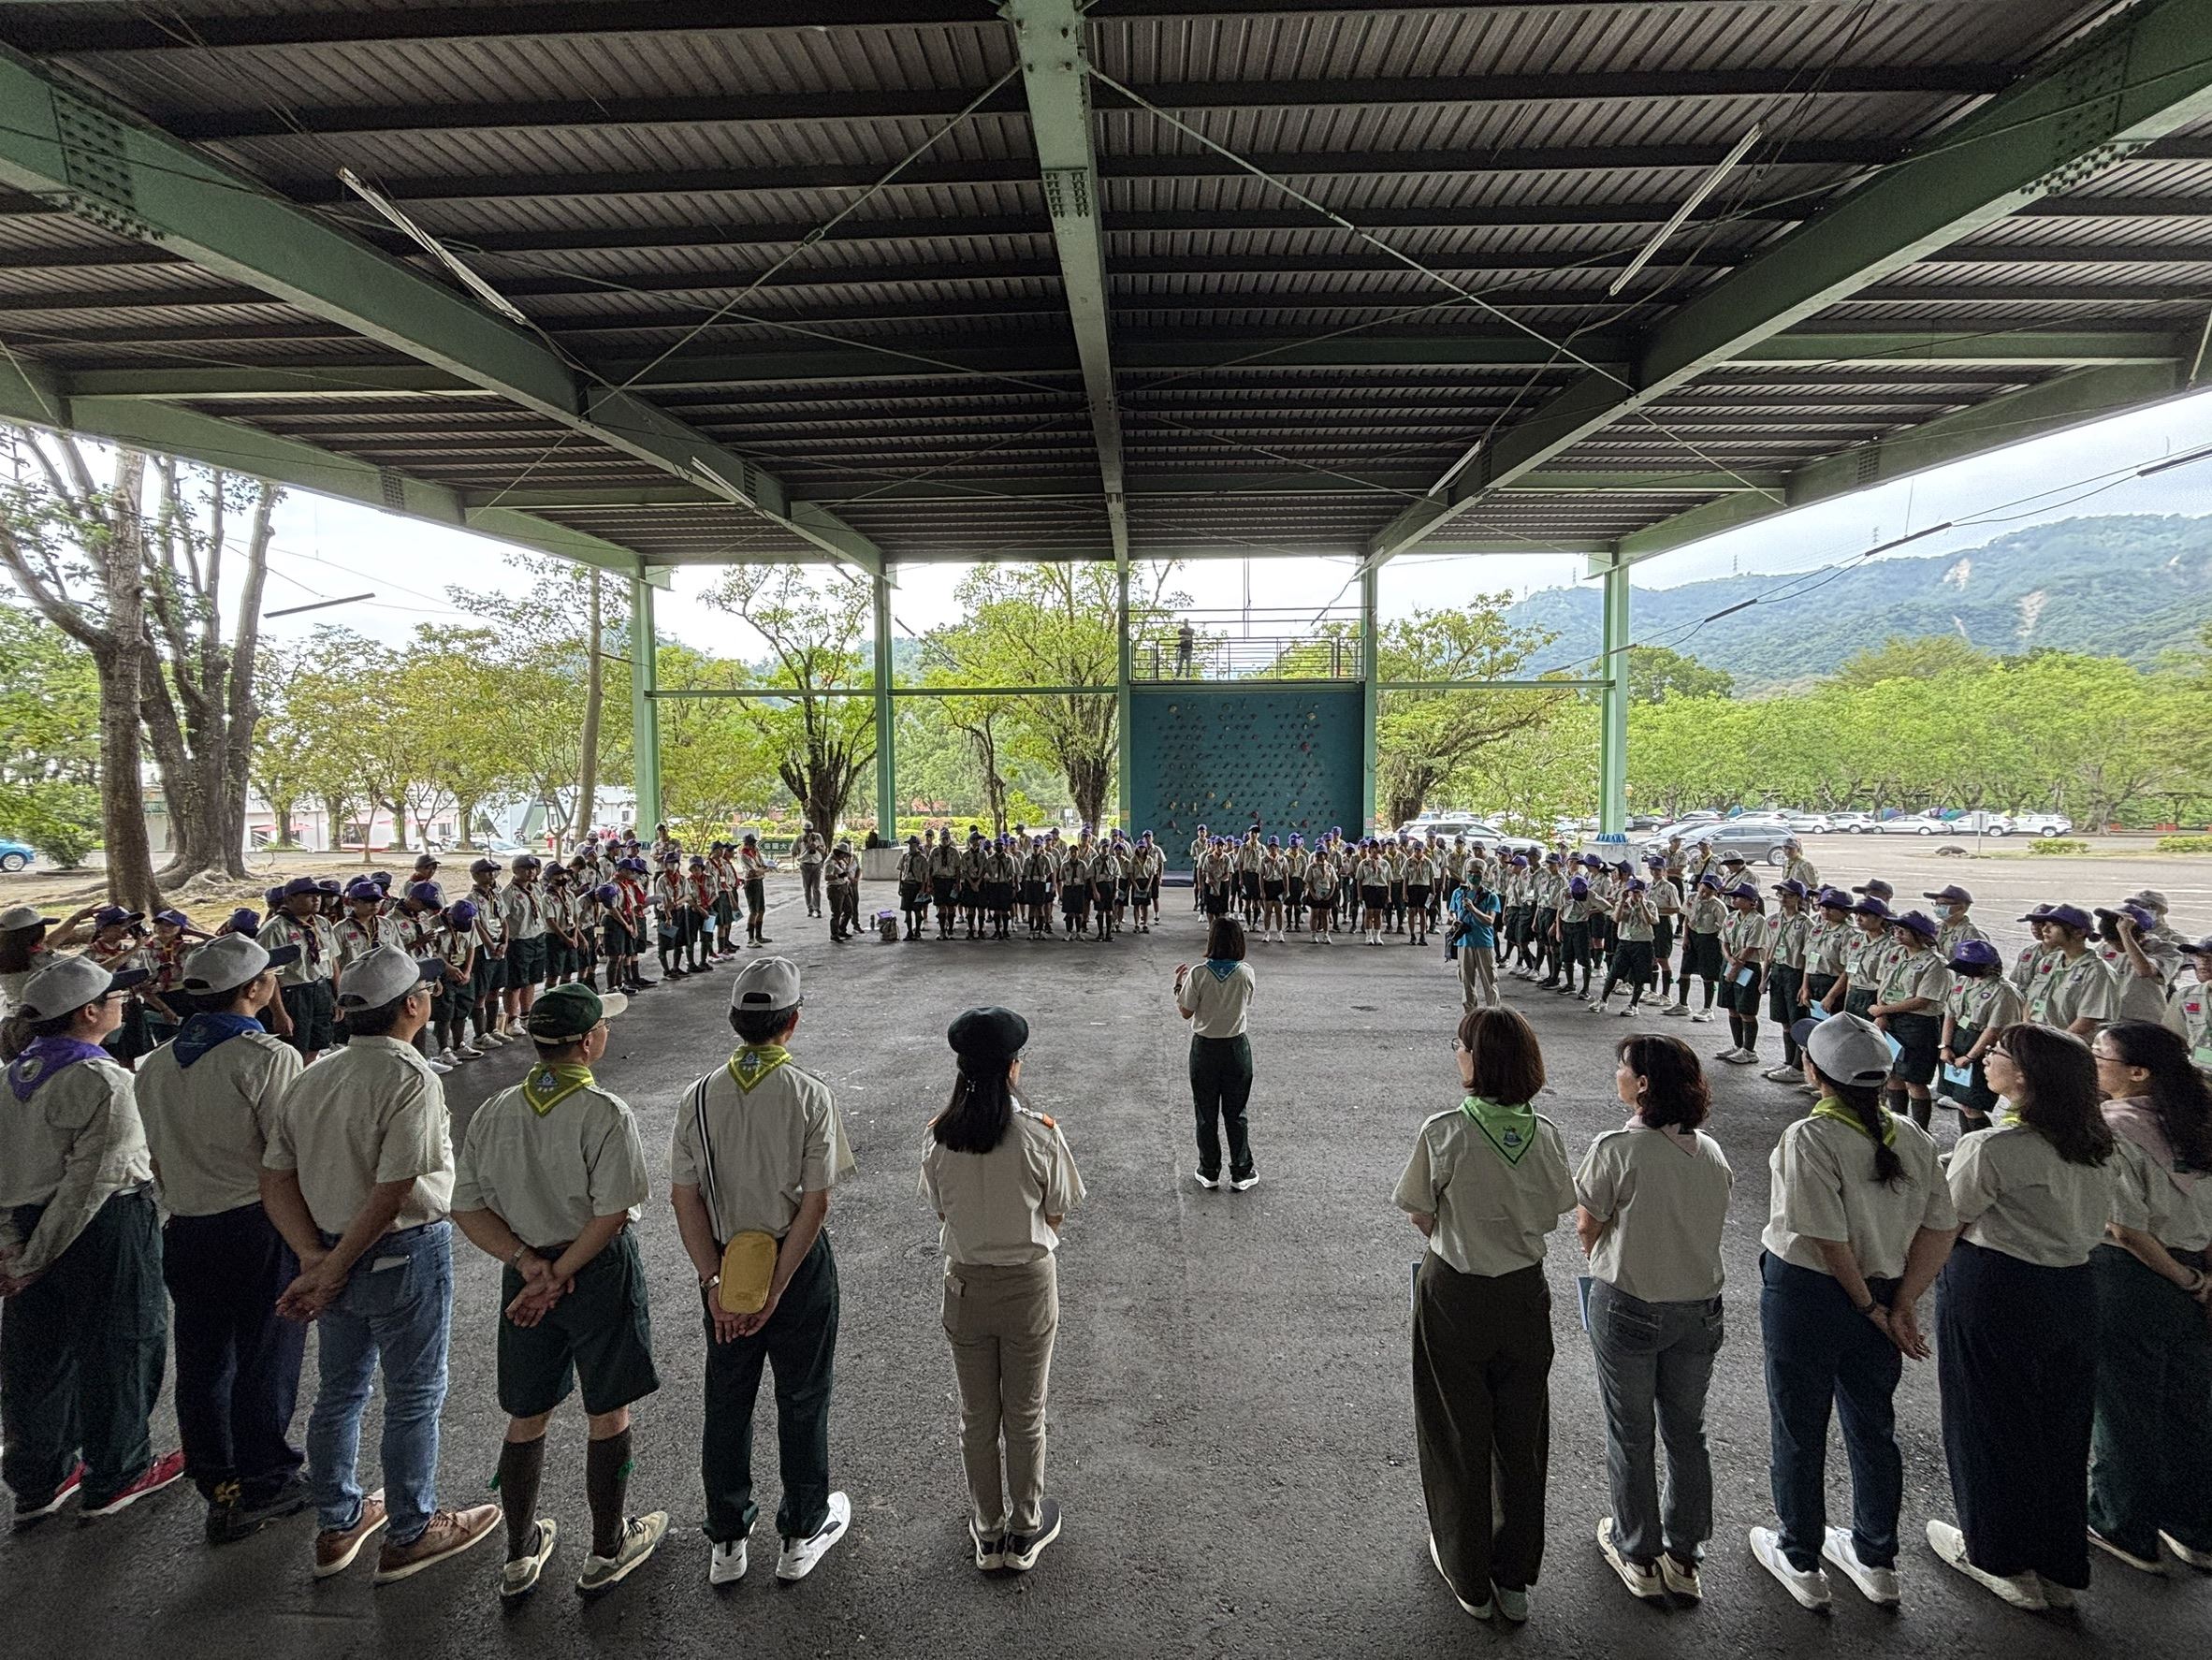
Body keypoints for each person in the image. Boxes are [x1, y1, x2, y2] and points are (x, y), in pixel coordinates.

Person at [258, 943, 502, 1582]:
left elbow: (275, 1175)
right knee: (414, 1394)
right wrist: (333, 1266)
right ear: (414, 1006)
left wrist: (315, 1256)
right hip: (399, 1251)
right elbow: (395, 1187)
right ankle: (411, 1531)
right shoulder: (409, 1076)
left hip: (330, 1245)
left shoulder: (313, 1075)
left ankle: (337, 1524)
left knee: (340, 1391)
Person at [451, 983, 666, 1601]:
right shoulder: (604, 1114)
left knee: (529, 1410)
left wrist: (530, 1266)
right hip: (596, 1270)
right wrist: (564, 1270)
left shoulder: (495, 1111)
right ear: (590, 1042)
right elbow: (612, 1213)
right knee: (608, 1407)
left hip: (523, 1274)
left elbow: (466, 1205)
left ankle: (518, 1554)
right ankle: (606, 1545)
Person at [1747, 1013, 1957, 1610]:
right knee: (1872, 1425)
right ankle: (1876, 1555)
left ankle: (1801, 1557)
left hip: (1812, 1296)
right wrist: (1902, 1303)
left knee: (1799, 1424)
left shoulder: (1809, 1138)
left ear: (1816, 1073)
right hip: (1888, 1292)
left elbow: (1826, 1238)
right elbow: (1939, 1229)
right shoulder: (1913, 1138)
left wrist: (1869, 1306)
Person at [669, 957, 855, 1587]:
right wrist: (775, 1288)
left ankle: (726, 1537)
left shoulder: (698, 1096)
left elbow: (684, 1197)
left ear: (734, 1021)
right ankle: (800, 1532)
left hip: (723, 1262)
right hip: (795, 1265)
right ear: (793, 1022)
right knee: (802, 1396)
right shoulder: (810, 1094)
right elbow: (817, 1200)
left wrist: (716, 1284)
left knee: (727, 1397)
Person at [1926, 1022, 2118, 1611]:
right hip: (2075, 1289)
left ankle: (1998, 1556)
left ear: (2025, 1080)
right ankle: (2059, 1561)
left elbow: (1946, 1223)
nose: (1985, 1060)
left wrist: (1903, 1294)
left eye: (1998, 1055)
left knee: (1987, 1419)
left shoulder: (1995, 1147)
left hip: (1997, 1287)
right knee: (2059, 1425)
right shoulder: (2094, 1142)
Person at [1396, 1006, 1575, 1624]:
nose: (1456, 1054)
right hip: (1525, 1295)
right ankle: (1515, 1576)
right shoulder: (1545, 1133)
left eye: (1461, 1046)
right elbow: (1556, 1210)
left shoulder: (1444, 1130)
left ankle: (1468, 1573)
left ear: (1478, 1060)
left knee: (1457, 1433)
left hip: (1457, 1292)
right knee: (1521, 1438)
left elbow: (1420, 1211)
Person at [134, 935, 312, 1545]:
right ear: (256, 989)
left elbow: (155, 1157)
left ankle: (219, 1481)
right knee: (265, 1353)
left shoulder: (153, 1065)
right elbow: (286, 1158)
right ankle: (266, 1479)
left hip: (184, 1226)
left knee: (205, 1358)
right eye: (270, 980)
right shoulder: (267, 1058)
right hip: (255, 1224)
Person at [0, 954, 185, 1523]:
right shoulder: (102, 1079)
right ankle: (118, 1472)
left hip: (24, 1224)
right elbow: (94, 1181)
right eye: (114, 996)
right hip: (101, 1228)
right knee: (121, 1345)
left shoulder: (10, 1079)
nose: (123, 1001)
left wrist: (13, 1248)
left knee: (36, 1354)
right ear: (88, 1012)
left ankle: (39, 1478)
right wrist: (36, 1255)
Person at [920, 1007, 1084, 1574]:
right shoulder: (1039, 1134)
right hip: (1028, 1287)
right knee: (1025, 1410)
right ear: (1014, 1067)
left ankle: (987, 1528)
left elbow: (940, 1208)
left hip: (964, 1287)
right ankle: (1025, 1525)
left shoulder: (941, 1138)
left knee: (976, 1413)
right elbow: (1060, 1207)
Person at [1576, 1034, 1733, 1603]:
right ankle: (1685, 1556)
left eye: (1623, 1067)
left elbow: (1588, 1223)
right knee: (1687, 1432)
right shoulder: (1710, 1151)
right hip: (1699, 1311)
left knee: (1631, 1431)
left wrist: (1599, 1250)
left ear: (1642, 1085)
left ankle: (1638, 1551)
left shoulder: (1618, 1148)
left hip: (1631, 1305)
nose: (1617, 1073)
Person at [2086, 1020, 2212, 1574]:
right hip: (2196, 1270)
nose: (2093, 1063)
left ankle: (2124, 1527)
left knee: (2125, 1407)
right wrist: (2204, 1281)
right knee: (2188, 1405)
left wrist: (2186, 1280)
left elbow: (2125, 1229)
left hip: (2132, 1280)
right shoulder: (2198, 1122)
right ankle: (2195, 1528)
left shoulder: (2111, 1127)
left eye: (2100, 1055)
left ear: (2137, 1072)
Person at [1175, 918, 1259, 1192]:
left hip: (1205, 1048)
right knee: (1236, 1113)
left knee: (1206, 1112)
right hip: (1236, 1048)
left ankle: (1209, 1170)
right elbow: (1245, 1003)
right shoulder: (1246, 972)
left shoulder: (1198, 973)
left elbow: (1186, 1011)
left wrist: (1179, 986)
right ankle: (1241, 1171)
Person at [1869, 911, 1949, 1129]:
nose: (1897, 933)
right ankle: (1897, 1122)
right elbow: (1882, 986)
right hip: (1892, 1020)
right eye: (1895, 929)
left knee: (1914, 1079)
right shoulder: (1893, 954)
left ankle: (1919, 1129)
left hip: (1918, 1024)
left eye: (1903, 930)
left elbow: (1922, 1000)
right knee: (1893, 1073)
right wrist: (1882, 1015)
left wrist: (1883, 1009)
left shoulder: (1934, 963)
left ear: (1920, 935)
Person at [1936, 939, 2024, 1136]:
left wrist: (1969, 1057)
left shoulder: (2003, 991)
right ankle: (1964, 1142)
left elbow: (1993, 1030)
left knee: (1972, 1104)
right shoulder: (1963, 982)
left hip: (1980, 1047)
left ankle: (1982, 1144)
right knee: (1961, 1100)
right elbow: (1950, 1015)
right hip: (1958, 1041)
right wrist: (1945, 1045)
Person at [258, 877, 335, 1060]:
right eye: (309, 895)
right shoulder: (275, 929)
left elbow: (332, 960)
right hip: (293, 994)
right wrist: (279, 1013)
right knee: (294, 1047)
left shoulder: (322, 924)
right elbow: (269, 974)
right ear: (290, 899)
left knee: (318, 1042)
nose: (316, 900)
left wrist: (336, 994)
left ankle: (306, 1078)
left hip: (321, 988)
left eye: (318, 895)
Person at [2026, 905, 2118, 1037]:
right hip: (2039, 1040)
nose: (2045, 929)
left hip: (2069, 1046)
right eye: (2045, 924)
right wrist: (2027, 1032)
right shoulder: (2048, 962)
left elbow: (2088, 1019)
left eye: (2054, 925)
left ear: (2079, 932)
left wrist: (2057, 1042)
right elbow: (2031, 1002)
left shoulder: (2097, 971)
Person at [1449, 871, 1504, 1012]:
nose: (1474, 875)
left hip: (1483, 942)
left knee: (1489, 981)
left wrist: (1473, 909)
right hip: (1464, 942)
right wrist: (1454, 919)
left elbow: (1489, 921)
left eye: (1477, 872)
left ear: (1483, 874)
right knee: (1467, 982)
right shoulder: (1458, 893)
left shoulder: (1491, 896)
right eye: (1471, 872)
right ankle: (1471, 1017)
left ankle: (1494, 1015)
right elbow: (1452, 912)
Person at [797, 829, 826, 921]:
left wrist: (816, 846)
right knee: (807, 888)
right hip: (805, 865)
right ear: (804, 830)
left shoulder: (818, 837)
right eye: (806, 831)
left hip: (817, 864)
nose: (808, 833)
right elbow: (794, 851)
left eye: (810, 831)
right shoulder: (799, 839)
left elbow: (823, 850)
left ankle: (817, 908)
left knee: (816, 888)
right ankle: (810, 907)